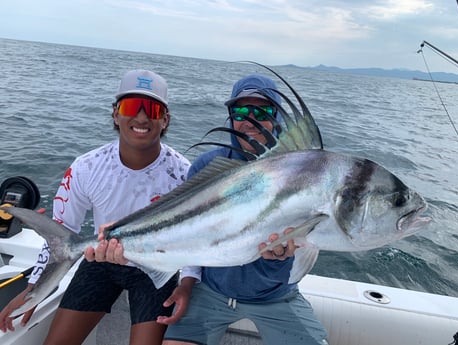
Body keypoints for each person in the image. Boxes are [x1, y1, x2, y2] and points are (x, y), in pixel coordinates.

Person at [0, 69, 191, 345]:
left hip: (155, 266)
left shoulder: (184, 174)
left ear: (165, 120)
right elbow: (61, 236)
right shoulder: (86, 167)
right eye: (130, 106)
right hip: (99, 259)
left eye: (152, 108)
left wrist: (187, 283)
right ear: (116, 114)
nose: (141, 117)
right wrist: (35, 289)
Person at [156, 74, 329, 345]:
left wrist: (288, 253)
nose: (250, 120)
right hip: (211, 292)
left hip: (276, 296)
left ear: (277, 116)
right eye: (240, 110)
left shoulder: (302, 169)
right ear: (230, 115)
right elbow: (190, 233)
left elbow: (310, 234)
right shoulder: (207, 167)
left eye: (262, 110)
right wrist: (187, 283)